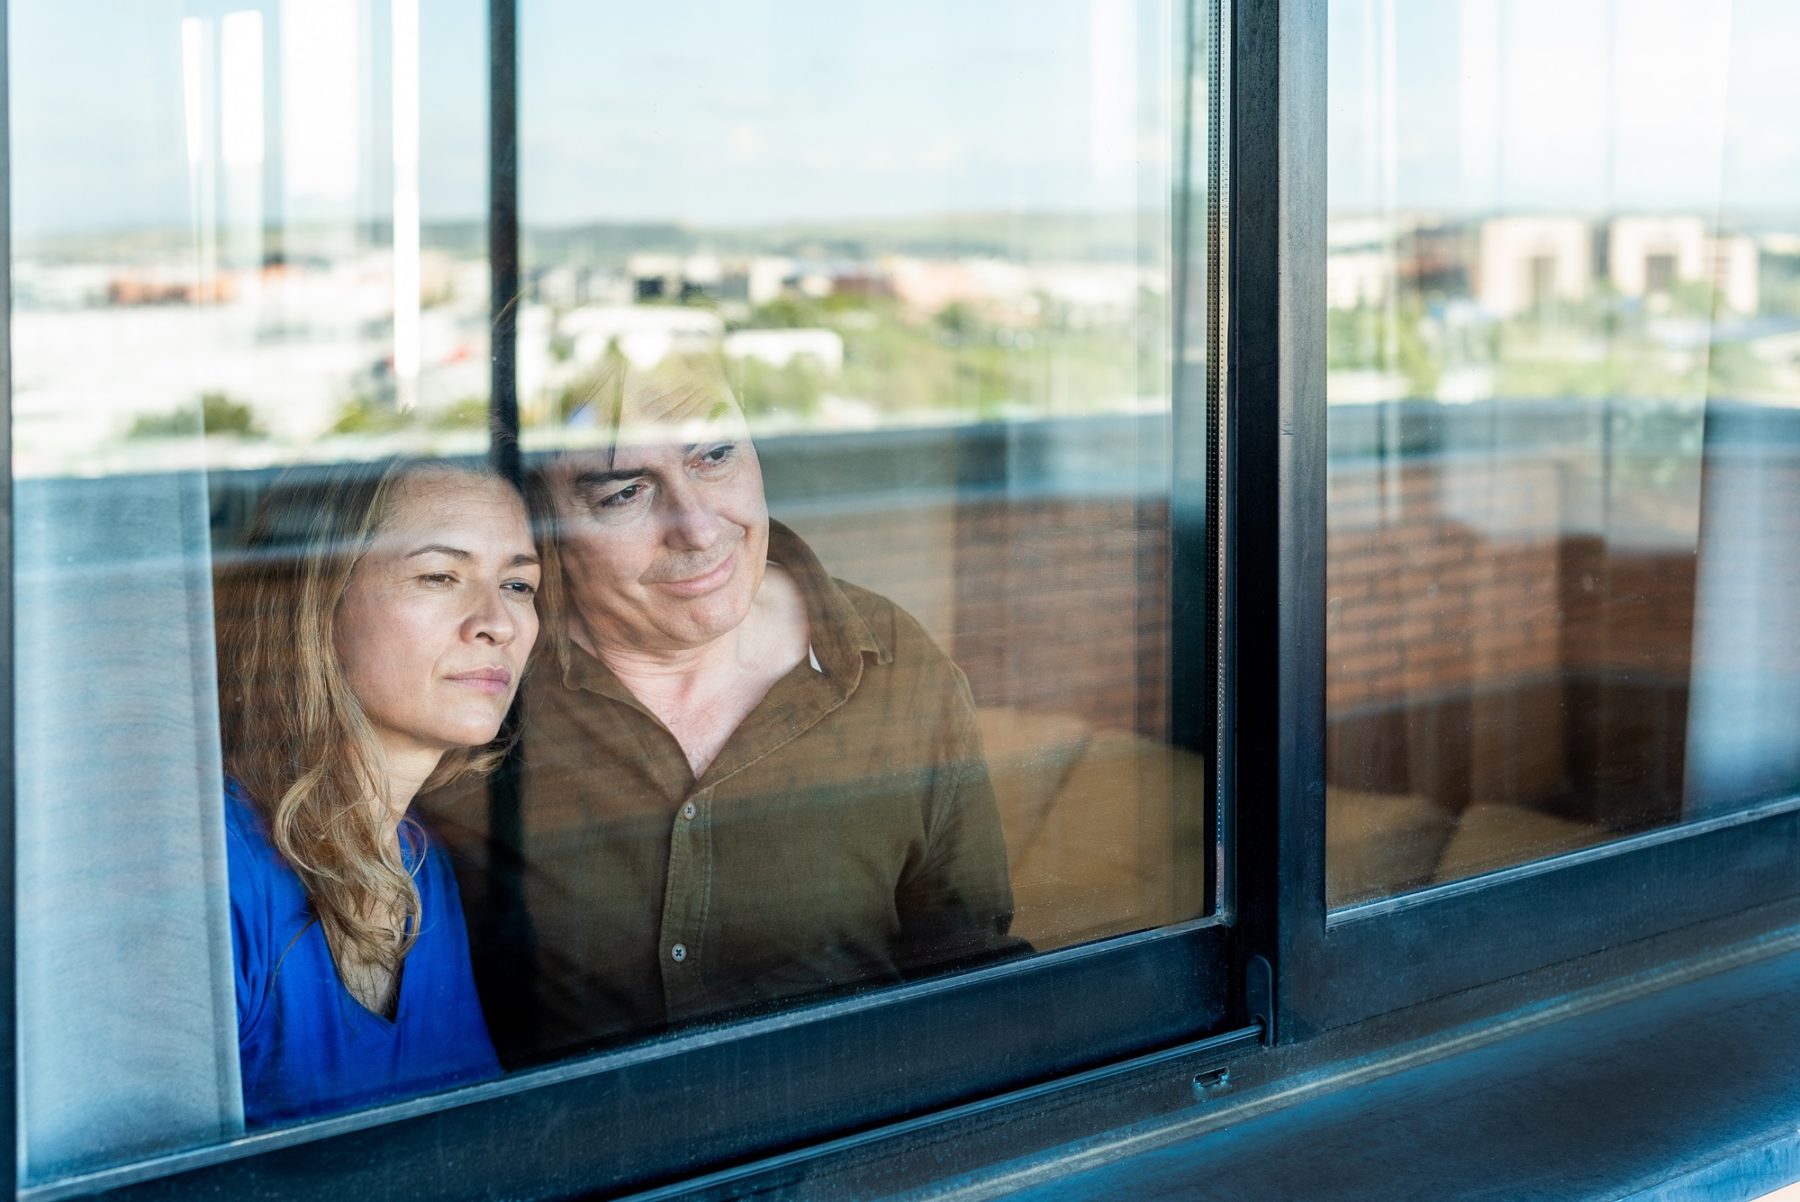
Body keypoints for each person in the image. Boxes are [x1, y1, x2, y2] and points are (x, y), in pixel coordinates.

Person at [422, 359, 1022, 1065]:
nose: (700, 529)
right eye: (623, 493)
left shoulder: (893, 663)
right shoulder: (476, 674)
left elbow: (972, 983)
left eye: (714, 454)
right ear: (539, 522)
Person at [213, 459, 541, 1127]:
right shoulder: (216, 874)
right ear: (317, 601)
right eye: (440, 577)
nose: (497, 622)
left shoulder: (419, 863)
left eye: (518, 583)